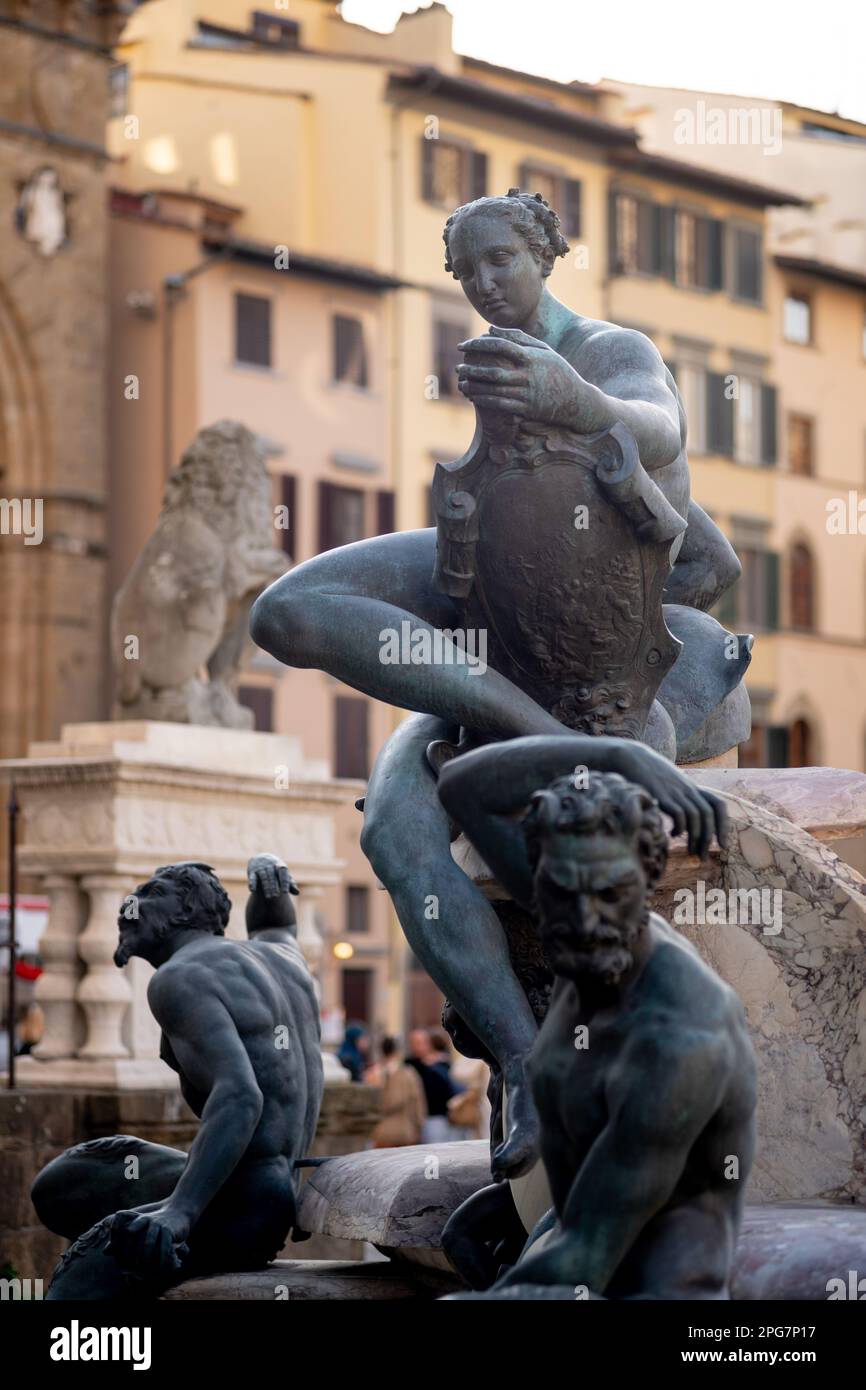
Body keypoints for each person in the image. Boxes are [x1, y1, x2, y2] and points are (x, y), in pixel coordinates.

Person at [250, 188, 741, 1180]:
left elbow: (655, 426)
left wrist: (575, 401)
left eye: (501, 261)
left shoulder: (608, 351)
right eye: (466, 272)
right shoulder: (485, 373)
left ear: (544, 255)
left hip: (628, 640)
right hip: (496, 644)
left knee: (604, 786)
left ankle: (528, 746)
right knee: (308, 654)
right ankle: (522, 1062)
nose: (483, 286)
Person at [439, 756, 753, 1299]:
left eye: (610, 894)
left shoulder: (679, 1034)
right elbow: (462, 785)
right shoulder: (582, 917)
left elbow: (588, 1251)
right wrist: (619, 758)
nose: (585, 921)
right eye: (563, 893)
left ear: (648, 877)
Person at [32, 854, 324, 1299]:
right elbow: (277, 925)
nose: (132, 903)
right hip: (271, 1197)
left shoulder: (180, 977)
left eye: (152, 893)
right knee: (69, 1179)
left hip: (237, 1213)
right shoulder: (283, 959)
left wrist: (179, 1213)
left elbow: (240, 1097)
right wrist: (270, 878)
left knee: (76, 1286)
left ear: (185, 912)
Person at [406, 1027, 464, 1143]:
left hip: (437, 1118)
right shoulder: (409, 1065)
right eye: (415, 1043)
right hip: (415, 1120)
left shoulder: (440, 1066)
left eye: (422, 1042)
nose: (418, 1047)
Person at [368, 1036, 427, 1148]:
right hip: (405, 1131)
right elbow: (417, 1101)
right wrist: (420, 1125)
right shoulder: (408, 1073)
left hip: (381, 1131)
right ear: (397, 1051)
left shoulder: (373, 1073)